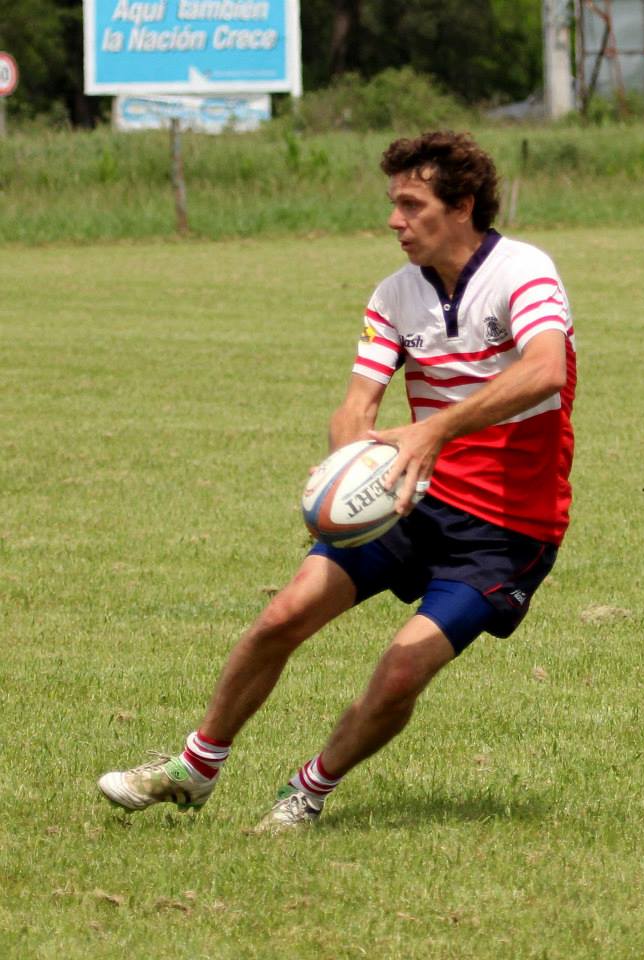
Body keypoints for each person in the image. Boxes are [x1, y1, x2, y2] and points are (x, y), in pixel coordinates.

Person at [98, 130, 577, 833]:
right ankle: (194, 768)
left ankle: (308, 791)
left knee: (400, 672)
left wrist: (434, 429)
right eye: (392, 204)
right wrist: (346, 472)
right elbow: (357, 404)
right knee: (282, 615)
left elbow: (544, 370)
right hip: (414, 499)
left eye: (411, 205)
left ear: (462, 205)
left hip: (507, 529)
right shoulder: (393, 296)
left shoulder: (522, 272)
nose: (394, 221)